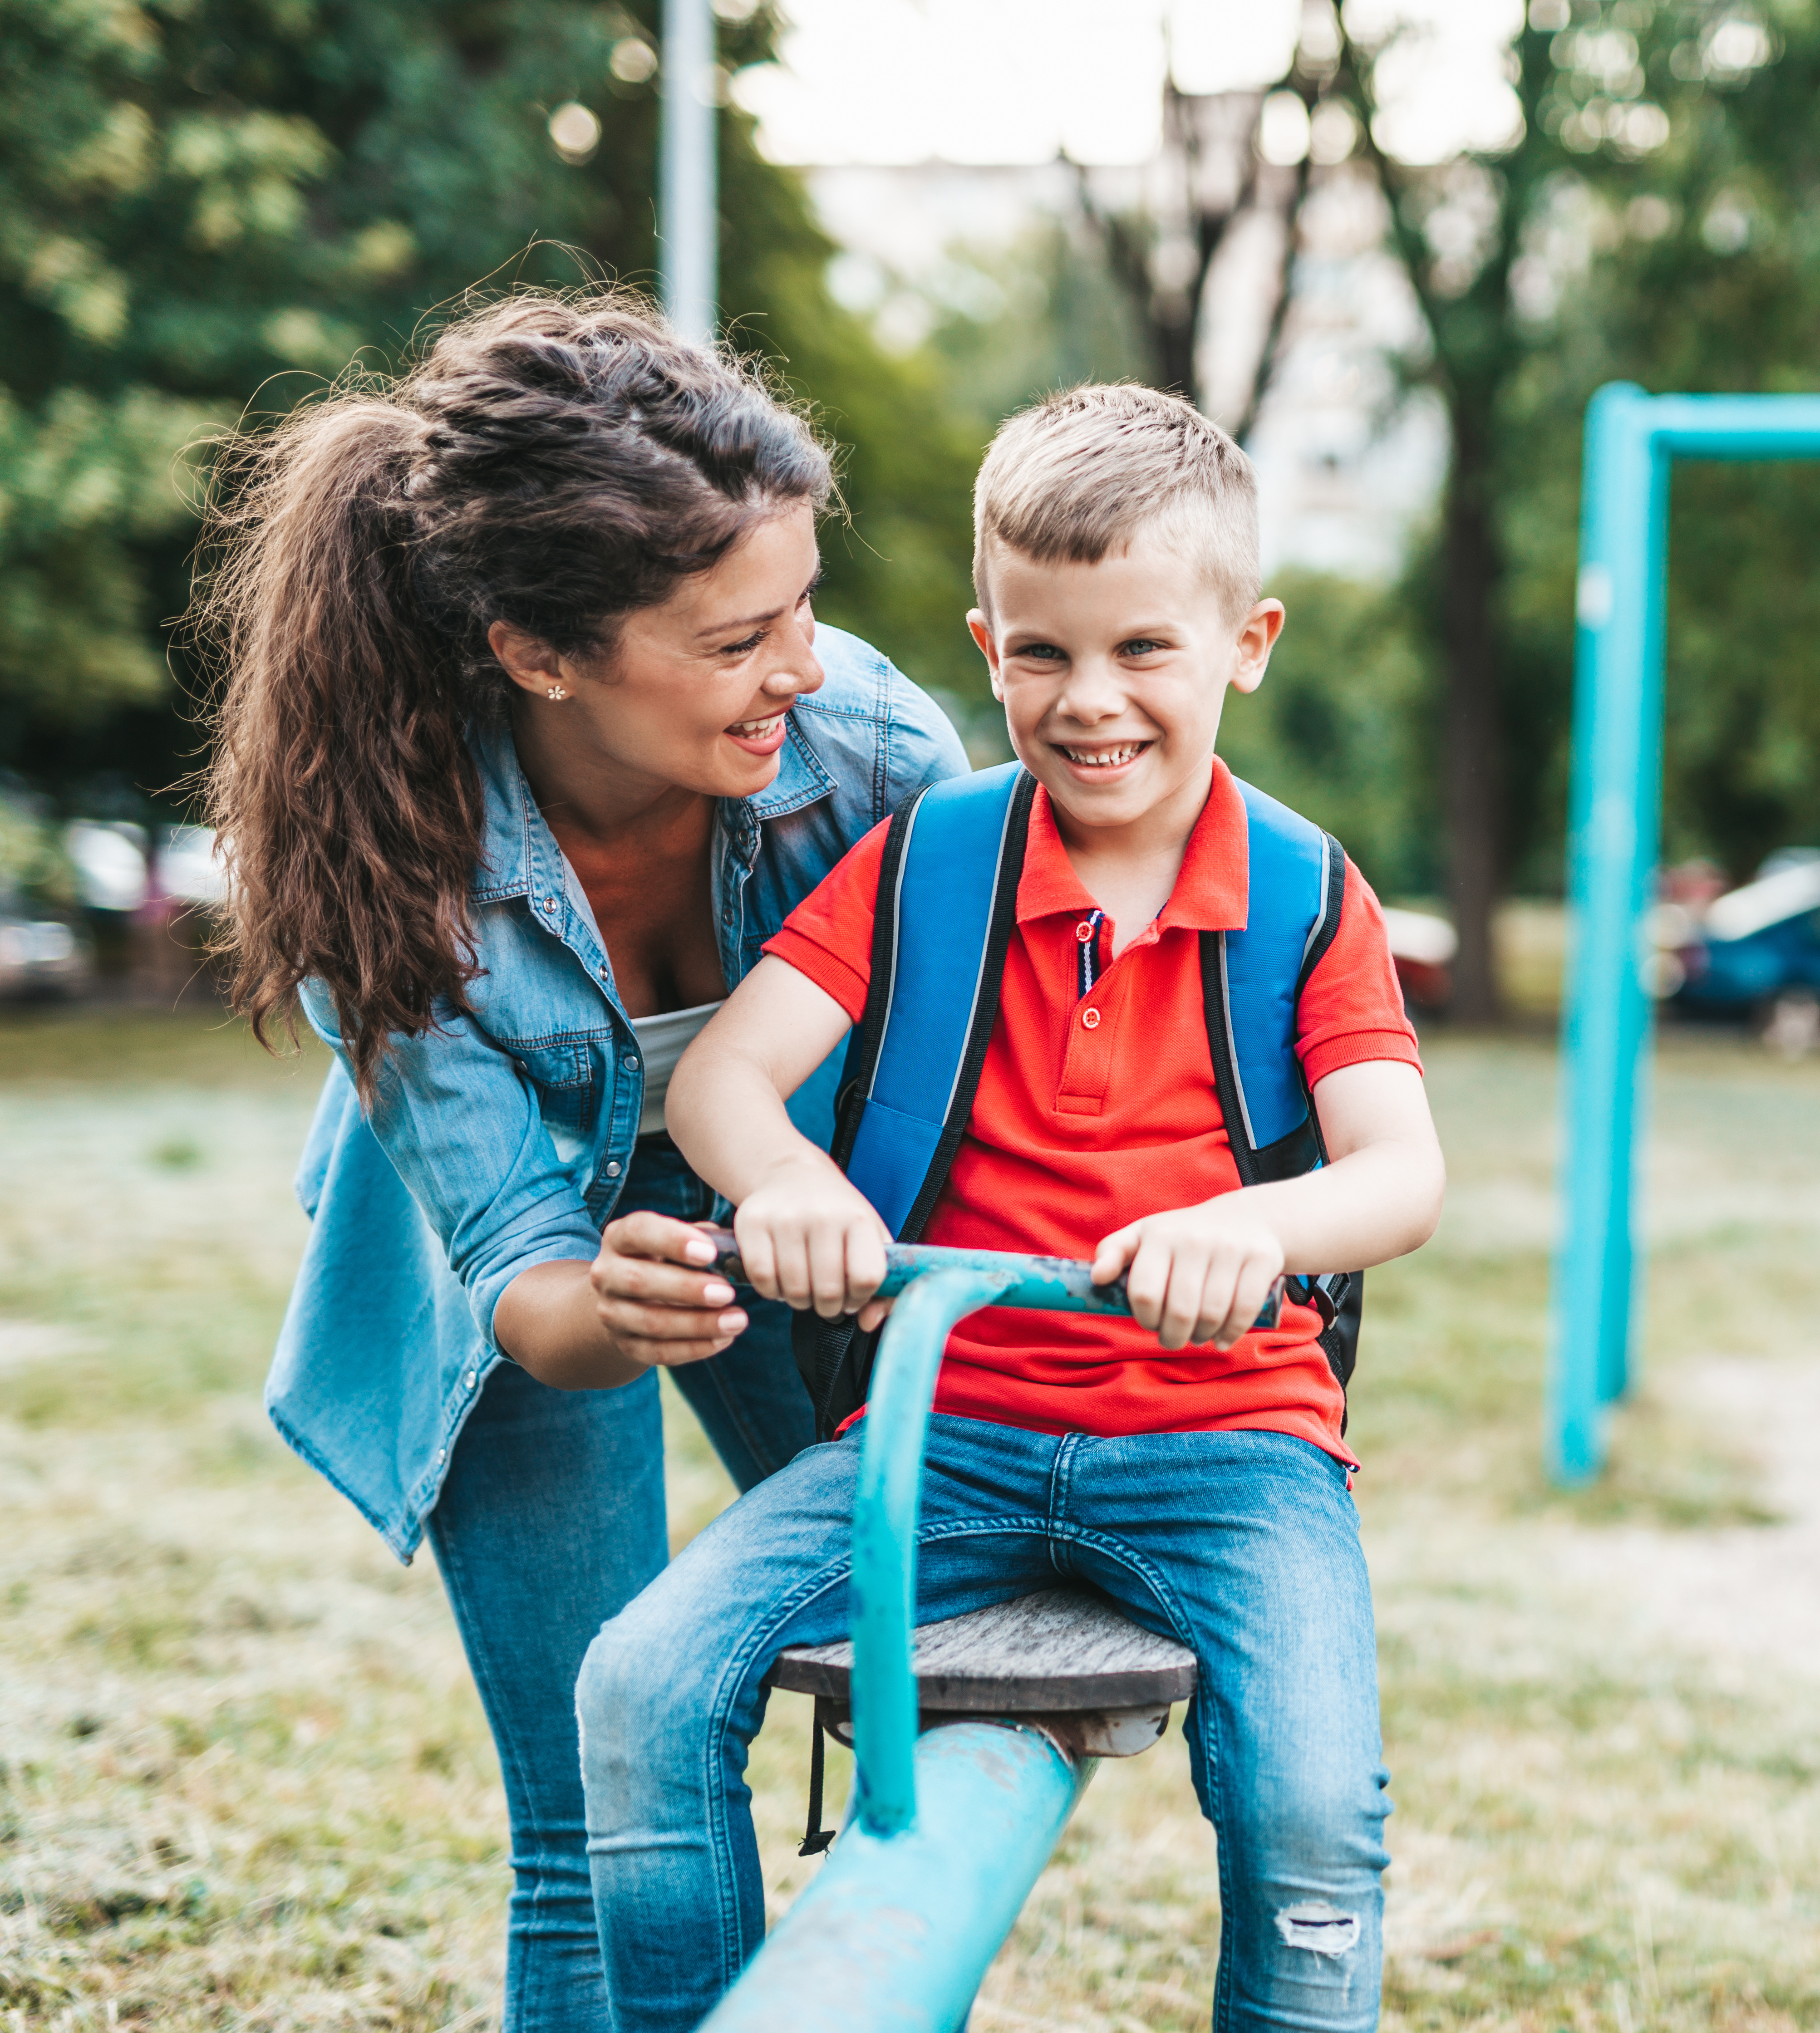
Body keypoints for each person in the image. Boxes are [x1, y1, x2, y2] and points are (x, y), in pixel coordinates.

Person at [576, 384, 1448, 2031]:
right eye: (1041, 653)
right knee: (638, 1680)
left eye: (1143, 650)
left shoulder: (1306, 893)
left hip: (1230, 1444)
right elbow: (721, 1084)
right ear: (985, 646)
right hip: (941, 1425)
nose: (1089, 700)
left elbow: (1398, 1172)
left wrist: (1252, 1233)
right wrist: (792, 1184)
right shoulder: (925, 862)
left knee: (1315, 1809)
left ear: (1245, 642)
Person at [201, 293, 968, 2032]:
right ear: (539, 653)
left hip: (810, 1225)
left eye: (803, 611)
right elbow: (531, 1283)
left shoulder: (872, 758)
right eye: (733, 638)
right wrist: (608, 1300)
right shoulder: (383, 872)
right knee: (590, 1818)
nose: (799, 667)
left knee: (937, 1668)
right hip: (526, 1289)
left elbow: (970, 1098)